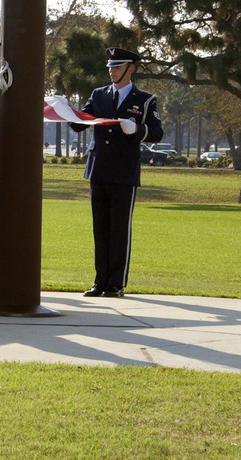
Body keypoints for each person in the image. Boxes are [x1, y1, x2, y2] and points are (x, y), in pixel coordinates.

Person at [69, 47, 162, 298]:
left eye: (117, 67)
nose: (112, 71)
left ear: (130, 68)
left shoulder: (144, 100)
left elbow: (156, 132)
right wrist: (65, 110)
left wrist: (138, 129)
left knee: (119, 230)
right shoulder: (98, 95)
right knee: (100, 229)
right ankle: (100, 281)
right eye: (110, 67)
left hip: (123, 172)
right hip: (98, 169)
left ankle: (116, 283)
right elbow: (81, 123)